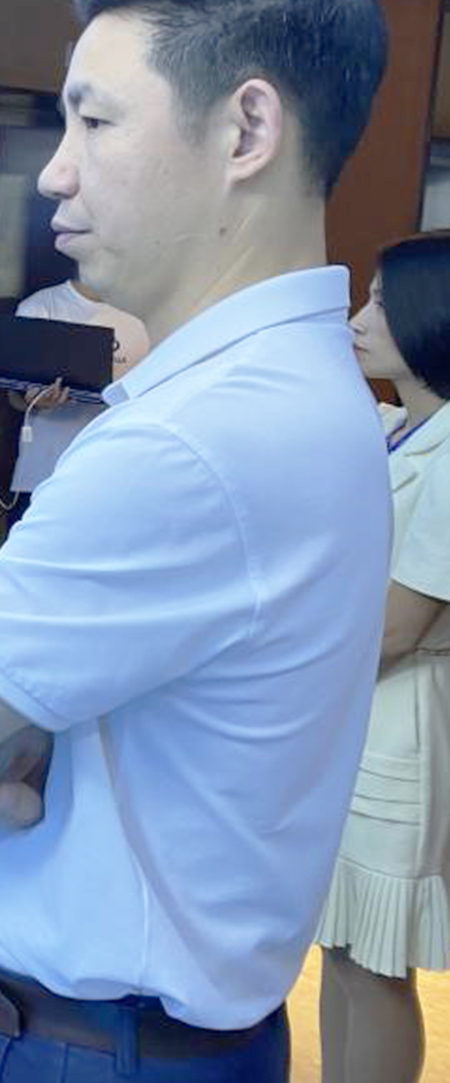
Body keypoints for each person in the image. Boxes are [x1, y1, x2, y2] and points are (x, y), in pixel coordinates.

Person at [0, 0, 392, 1083]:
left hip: (86, 1049)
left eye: (92, 120)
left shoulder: (191, 439)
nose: (53, 171)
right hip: (180, 1034)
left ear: (244, 131)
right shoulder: (307, 386)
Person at [317, 234, 450, 1083]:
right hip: (352, 714)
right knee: (338, 944)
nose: (358, 319)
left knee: (373, 962)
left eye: (378, 303)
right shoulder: (397, 425)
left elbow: (398, 627)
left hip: (397, 718)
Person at [7, 275, 149, 499]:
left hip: (124, 471)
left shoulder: (147, 310)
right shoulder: (40, 306)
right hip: (48, 472)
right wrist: (34, 402)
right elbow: (14, 397)